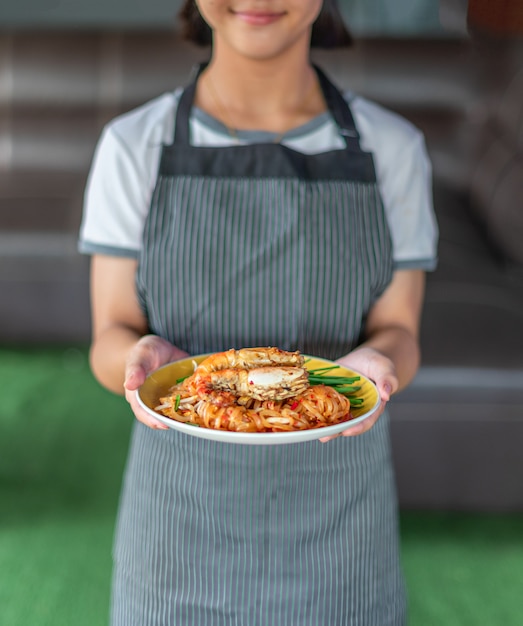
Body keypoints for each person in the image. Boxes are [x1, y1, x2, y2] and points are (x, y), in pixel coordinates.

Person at [79, 1, 438, 624]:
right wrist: (136, 362)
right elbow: (111, 332)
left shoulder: (393, 148)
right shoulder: (134, 144)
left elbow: (399, 329)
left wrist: (378, 362)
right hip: (177, 521)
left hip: (341, 522)